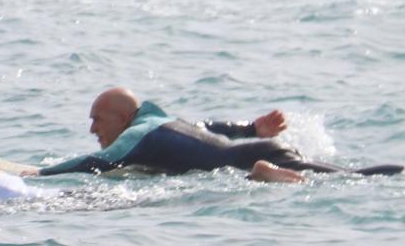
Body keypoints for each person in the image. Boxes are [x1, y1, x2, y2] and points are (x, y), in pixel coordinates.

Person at [40, 87, 402, 179]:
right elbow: (206, 128)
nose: (92, 129)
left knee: (351, 178)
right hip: (256, 150)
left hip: (249, 161)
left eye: (97, 120)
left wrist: (42, 173)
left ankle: (263, 175)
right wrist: (251, 128)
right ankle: (264, 174)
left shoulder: (136, 135)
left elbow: (96, 162)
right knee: (347, 175)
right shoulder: (164, 122)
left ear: (122, 118)